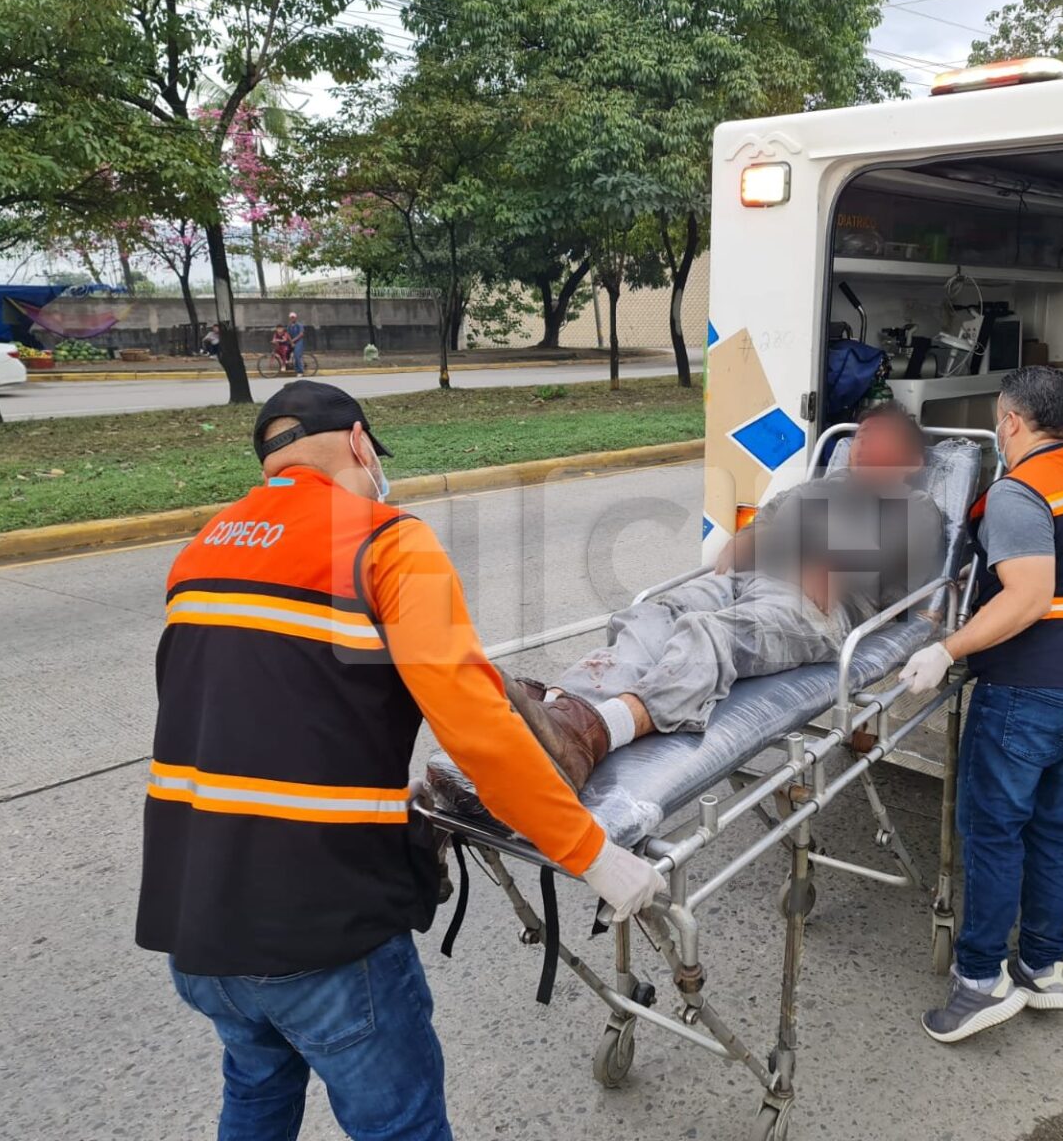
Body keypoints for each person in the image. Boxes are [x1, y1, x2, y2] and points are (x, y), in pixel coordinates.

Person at [135, 380, 664, 1141]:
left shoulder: (199, 553)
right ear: (358, 444)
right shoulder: (384, 541)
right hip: (319, 930)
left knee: (255, 1095)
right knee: (403, 1126)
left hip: (199, 926)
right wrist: (593, 856)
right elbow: (476, 728)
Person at [503, 403, 946, 790]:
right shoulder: (814, 489)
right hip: (746, 580)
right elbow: (762, 527)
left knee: (711, 634)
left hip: (815, 608)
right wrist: (754, 537)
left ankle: (597, 733)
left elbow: (875, 561)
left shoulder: (915, 508)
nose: (863, 447)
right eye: (861, 437)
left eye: (878, 438)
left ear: (909, 459)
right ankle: (557, 708)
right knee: (652, 613)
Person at [899, 365, 1063, 1044]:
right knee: (1052, 829)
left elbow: (1028, 597)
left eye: (1000, 419)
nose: (999, 429)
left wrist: (946, 649)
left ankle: (980, 982)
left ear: (1012, 422)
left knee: (994, 831)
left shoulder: (1018, 493)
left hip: (1031, 691)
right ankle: (1043, 967)